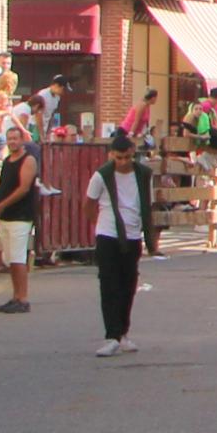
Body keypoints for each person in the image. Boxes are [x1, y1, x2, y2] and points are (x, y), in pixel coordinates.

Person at [89, 132, 151, 356]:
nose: (123, 162)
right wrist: (99, 225)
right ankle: (111, 335)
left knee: (128, 285)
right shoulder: (102, 176)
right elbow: (89, 203)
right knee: (109, 285)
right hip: (108, 234)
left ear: (132, 154)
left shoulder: (142, 174)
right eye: (118, 158)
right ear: (111, 155)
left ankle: (123, 333)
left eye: (126, 157)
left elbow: (145, 202)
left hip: (132, 234)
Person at [0, 122, 40, 312]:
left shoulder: (28, 160)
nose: (12, 142)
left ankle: (23, 297)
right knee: (10, 258)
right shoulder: (8, 161)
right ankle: (15, 295)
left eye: (15, 138)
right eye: (9, 139)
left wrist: (2, 204)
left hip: (20, 215)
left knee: (18, 258)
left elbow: (23, 188)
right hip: (6, 216)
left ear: (22, 140)